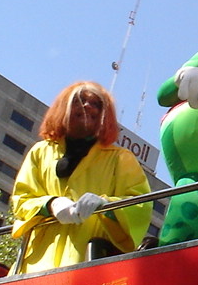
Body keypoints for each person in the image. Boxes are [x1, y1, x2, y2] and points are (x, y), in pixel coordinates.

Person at [11, 81, 151, 274]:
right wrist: (51, 204)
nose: (88, 106)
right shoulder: (40, 152)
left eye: (96, 104)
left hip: (89, 265)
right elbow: (21, 201)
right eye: (80, 100)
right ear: (63, 107)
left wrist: (106, 205)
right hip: (35, 266)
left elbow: (140, 205)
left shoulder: (121, 159)